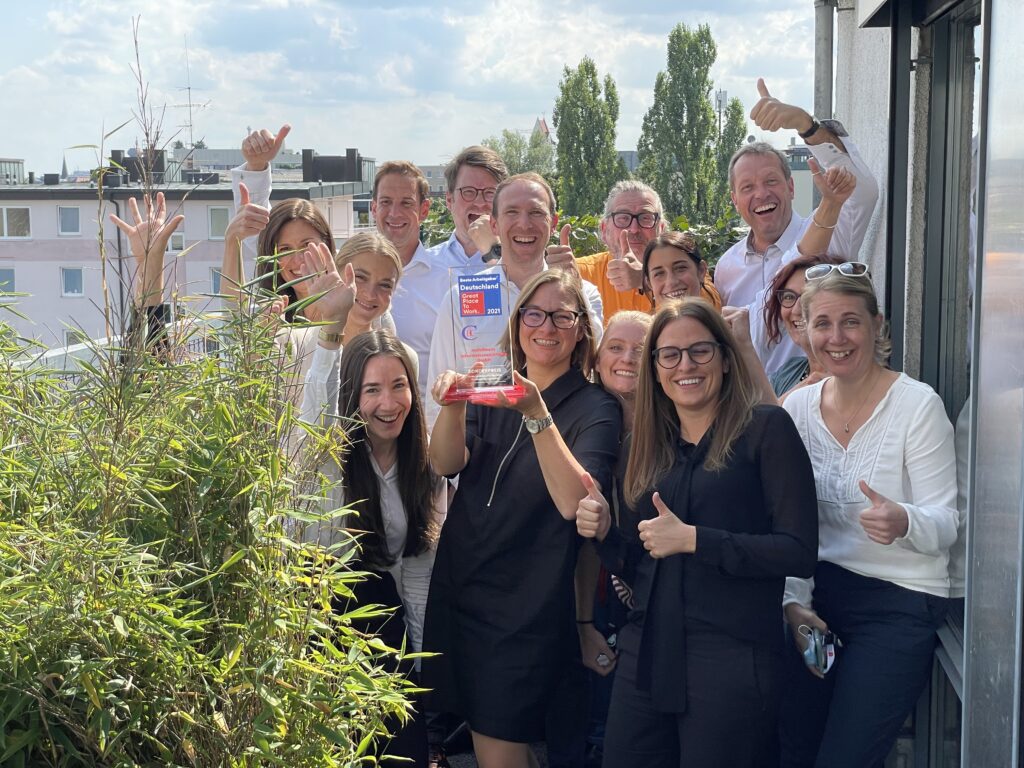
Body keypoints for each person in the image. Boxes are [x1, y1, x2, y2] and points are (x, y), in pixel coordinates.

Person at [575, 298, 818, 767]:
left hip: (731, 655)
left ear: (725, 359)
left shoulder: (766, 430)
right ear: (656, 369)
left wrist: (695, 540)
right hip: (648, 649)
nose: (685, 365)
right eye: (670, 354)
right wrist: (604, 533)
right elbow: (638, 564)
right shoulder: (645, 446)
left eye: (700, 351)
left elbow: (797, 551)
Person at [423, 269, 621, 768]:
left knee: (500, 744)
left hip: (526, 602)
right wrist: (451, 406)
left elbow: (575, 503)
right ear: (516, 325)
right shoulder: (493, 383)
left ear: (581, 332)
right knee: (480, 738)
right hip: (462, 583)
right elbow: (446, 463)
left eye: (562, 316)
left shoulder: (596, 407)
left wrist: (536, 412)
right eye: (534, 314)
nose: (546, 326)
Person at [778, 265, 958, 768]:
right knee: (791, 747)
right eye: (823, 323)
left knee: (846, 757)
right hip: (820, 599)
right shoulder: (797, 409)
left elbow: (946, 524)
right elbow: (791, 525)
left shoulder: (917, 406)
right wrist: (794, 604)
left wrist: (904, 520)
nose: (837, 338)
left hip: (899, 602)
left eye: (851, 322)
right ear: (806, 331)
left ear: (877, 326)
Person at [296, 329, 443, 768]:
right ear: (350, 396)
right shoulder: (326, 455)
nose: (388, 403)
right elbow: (313, 415)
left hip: (382, 625)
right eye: (372, 390)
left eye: (399, 386)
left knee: (402, 755)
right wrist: (328, 336)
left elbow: (415, 569)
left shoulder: (422, 466)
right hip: (316, 616)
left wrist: (418, 666)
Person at [425, 172, 605, 427]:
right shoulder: (461, 297)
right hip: (485, 451)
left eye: (536, 212)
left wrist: (572, 291)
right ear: (494, 224)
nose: (524, 224)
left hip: (565, 441)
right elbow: (440, 391)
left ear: (553, 223)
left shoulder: (585, 293)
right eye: (512, 212)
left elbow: (595, 367)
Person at [713, 79, 878, 309]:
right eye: (747, 187)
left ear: (791, 187)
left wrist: (804, 123)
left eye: (771, 181)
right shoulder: (725, 268)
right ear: (735, 201)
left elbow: (863, 193)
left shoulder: (829, 233)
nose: (761, 193)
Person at [582, 310, 652, 764]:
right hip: (588, 595)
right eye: (615, 347)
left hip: (646, 601)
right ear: (597, 356)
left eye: (640, 350)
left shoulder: (673, 425)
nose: (627, 358)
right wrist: (583, 622)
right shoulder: (580, 416)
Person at [546, 181, 721, 321]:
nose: (634, 229)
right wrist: (557, 280)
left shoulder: (685, 272)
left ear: (661, 228)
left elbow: (710, 311)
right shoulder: (581, 272)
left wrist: (644, 281)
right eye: (623, 218)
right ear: (604, 230)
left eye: (645, 218)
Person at [371, 161, 455, 401]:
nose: (394, 213)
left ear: (424, 210)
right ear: (374, 207)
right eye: (386, 202)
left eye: (406, 203)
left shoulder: (448, 281)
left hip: (429, 426)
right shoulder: (347, 277)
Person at [431, 145, 509, 267]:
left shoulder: (525, 265)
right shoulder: (427, 265)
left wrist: (494, 253)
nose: (479, 202)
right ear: (449, 200)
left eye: (490, 192)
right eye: (468, 191)